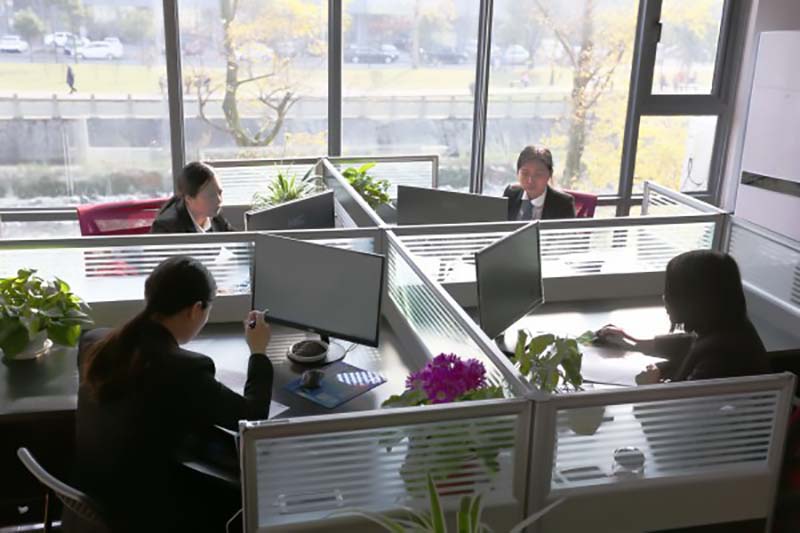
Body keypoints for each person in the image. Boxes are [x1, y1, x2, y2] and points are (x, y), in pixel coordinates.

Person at [74, 256, 273, 532]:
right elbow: (253, 415)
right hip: (144, 514)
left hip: (94, 497)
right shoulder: (184, 368)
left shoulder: (95, 341)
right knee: (243, 494)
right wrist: (259, 352)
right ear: (196, 309)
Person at [597, 250, 770, 383]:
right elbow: (689, 342)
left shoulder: (720, 357)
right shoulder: (730, 326)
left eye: (672, 291)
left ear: (695, 299)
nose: (665, 297)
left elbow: (681, 409)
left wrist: (650, 385)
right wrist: (634, 342)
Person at [151, 161, 235, 233]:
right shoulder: (165, 227)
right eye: (211, 196)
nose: (219, 200)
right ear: (189, 198)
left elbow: (235, 242)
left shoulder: (215, 216)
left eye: (220, 193)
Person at [503, 145, 576, 220]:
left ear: (550, 174)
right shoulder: (510, 194)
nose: (530, 180)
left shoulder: (564, 204)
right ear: (518, 172)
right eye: (525, 173)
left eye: (538, 174)